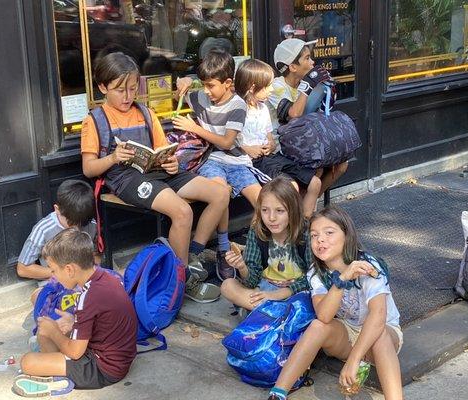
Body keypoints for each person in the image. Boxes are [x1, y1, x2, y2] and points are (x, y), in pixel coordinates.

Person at [81, 52, 226, 303]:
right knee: (182, 212)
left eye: (132, 88)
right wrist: (114, 158)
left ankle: (192, 254)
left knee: (220, 192)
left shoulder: (146, 113)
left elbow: (162, 149)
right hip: (124, 177)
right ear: (102, 87)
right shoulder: (94, 120)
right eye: (119, 90)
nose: (128, 96)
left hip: (156, 171)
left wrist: (172, 162)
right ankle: (179, 280)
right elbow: (89, 168)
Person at [267, 205, 403, 400]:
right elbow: (324, 316)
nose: (320, 239)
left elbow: (379, 317)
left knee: (380, 335)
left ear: (347, 236)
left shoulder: (368, 265)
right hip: (346, 334)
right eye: (314, 235)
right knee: (317, 326)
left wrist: (354, 360)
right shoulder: (316, 272)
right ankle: (278, 393)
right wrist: (342, 280)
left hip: (381, 337)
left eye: (329, 232)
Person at [14, 229, 137, 397]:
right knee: (44, 334)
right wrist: (72, 321)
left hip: (103, 368)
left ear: (69, 270)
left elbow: (75, 352)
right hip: (118, 357)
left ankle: (59, 381)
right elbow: (101, 319)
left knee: (28, 362)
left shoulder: (88, 296)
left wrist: (55, 332)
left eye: (53, 270)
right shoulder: (104, 278)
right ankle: (56, 365)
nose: (53, 276)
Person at [173, 49, 262, 281]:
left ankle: (251, 250)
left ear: (228, 83)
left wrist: (195, 128)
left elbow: (226, 142)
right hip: (211, 160)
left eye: (211, 85)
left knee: (262, 201)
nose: (206, 91)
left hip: (236, 160)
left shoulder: (238, 105)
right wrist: (183, 82)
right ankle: (220, 249)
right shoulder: (202, 96)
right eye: (203, 85)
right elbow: (177, 95)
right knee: (220, 191)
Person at [266, 38, 348, 213]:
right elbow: (294, 115)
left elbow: (318, 116)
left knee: (342, 164)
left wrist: (326, 90)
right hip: (281, 145)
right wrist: (308, 85)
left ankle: (305, 206)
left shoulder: (307, 84)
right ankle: (303, 212)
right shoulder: (275, 87)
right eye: (307, 58)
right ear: (292, 67)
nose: (312, 63)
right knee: (315, 168)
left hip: (306, 141)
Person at [234, 58, 322, 218]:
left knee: (315, 183)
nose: (271, 89)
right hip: (252, 162)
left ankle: (304, 227)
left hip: (271, 157)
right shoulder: (236, 109)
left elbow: (270, 138)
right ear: (253, 87)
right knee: (291, 187)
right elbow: (227, 140)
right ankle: (291, 232)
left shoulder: (262, 108)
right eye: (267, 86)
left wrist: (270, 144)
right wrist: (247, 149)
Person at [220, 176, 312, 310]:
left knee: (312, 299)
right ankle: (275, 313)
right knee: (227, 286)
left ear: (293, 210)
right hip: (265, 287)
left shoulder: (306, 232)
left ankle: (265, 312)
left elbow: (316, 276)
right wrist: (242, 267)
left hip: (297, 290)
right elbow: (251, 281)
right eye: (265, 210)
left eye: (279, 211)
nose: (271, 218)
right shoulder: (257, 231)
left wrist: (280, 294)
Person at [17, 179, 98, 305]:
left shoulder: (91, 224)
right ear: (57, 209)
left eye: (81, 224)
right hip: (55, 283)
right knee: (41, 299)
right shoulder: (43, 229)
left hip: (84, 281)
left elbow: (95, 257)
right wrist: (60, 273)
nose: (76, 229)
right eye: (71, 224)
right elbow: (23, 268)